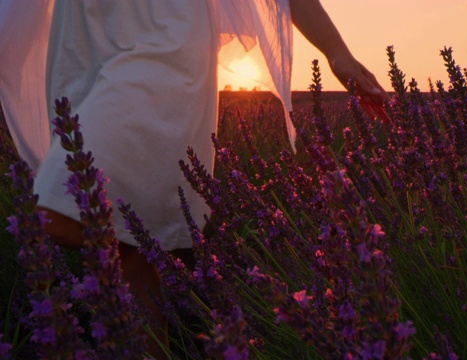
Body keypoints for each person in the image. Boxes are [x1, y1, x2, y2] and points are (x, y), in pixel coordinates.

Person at [1, 0, 387, 358]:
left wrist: (337, 51)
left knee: (59, 212)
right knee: (130, 248)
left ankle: (189, 263)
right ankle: (181, 280)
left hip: (164, 31)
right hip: (84, 33)